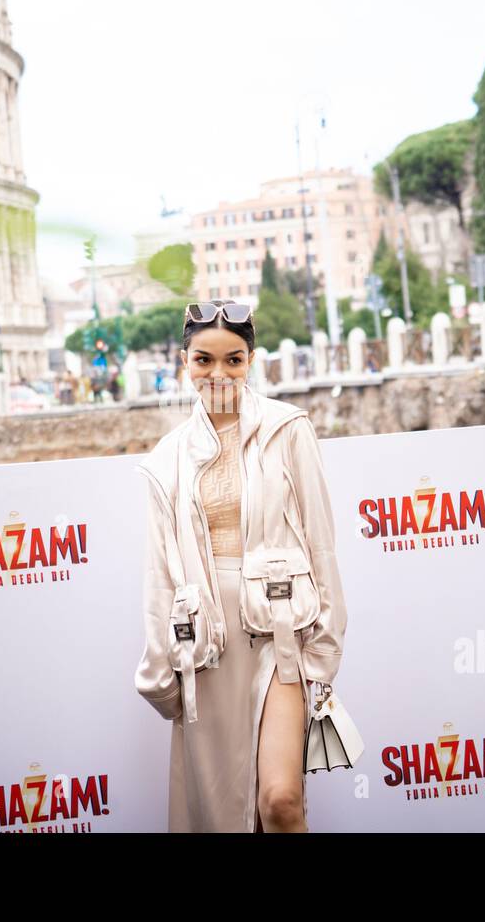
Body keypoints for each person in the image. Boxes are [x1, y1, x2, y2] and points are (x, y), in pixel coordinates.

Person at [133, 298, 347, 833]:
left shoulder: (289, 429)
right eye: (204, 359)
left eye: (234, 359)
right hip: (205, 650)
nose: (218, 372)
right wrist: (163, 676)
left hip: (279, 635)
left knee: (279, 802)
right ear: (185, 363)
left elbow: (322, 545)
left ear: (251, 361)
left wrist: (323, 650)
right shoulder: (165, 460)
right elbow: (160, 576)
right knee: (228, 817)